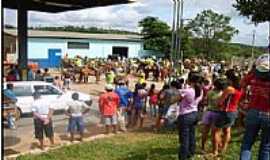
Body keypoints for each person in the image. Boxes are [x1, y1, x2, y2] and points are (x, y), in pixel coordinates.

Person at [240, 54, 270, 160]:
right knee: (266, 146)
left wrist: (253, 70)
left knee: (247, 143)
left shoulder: (254, 76)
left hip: (253, 111)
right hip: (268, 114)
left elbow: (242, 83)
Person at [212, 69, 242, 156]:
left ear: (230, 79)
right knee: (227, 130)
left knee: (215, 131)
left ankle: (215, 151)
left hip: (225, 111)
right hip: (233, 111)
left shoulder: (229, 89)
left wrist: (217, 101)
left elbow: (220, 102)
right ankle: (223, 149)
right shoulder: (240, 89)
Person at [178, 72, 203, 160]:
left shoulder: (187, 91)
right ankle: (191, 152)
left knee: (184, 138)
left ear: (190, 80)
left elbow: (175, 99)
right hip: (194, 113)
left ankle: (183, 156)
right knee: (192, 135)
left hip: (185, 115)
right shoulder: (200, 90)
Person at [201, 78, 226, 153]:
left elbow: (206, 101)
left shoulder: (210, 92)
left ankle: (203, 147)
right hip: (218, 113)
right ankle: (217, 148)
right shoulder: (223, 94)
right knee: (216, 132)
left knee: (205, 131)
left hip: (208, 112)